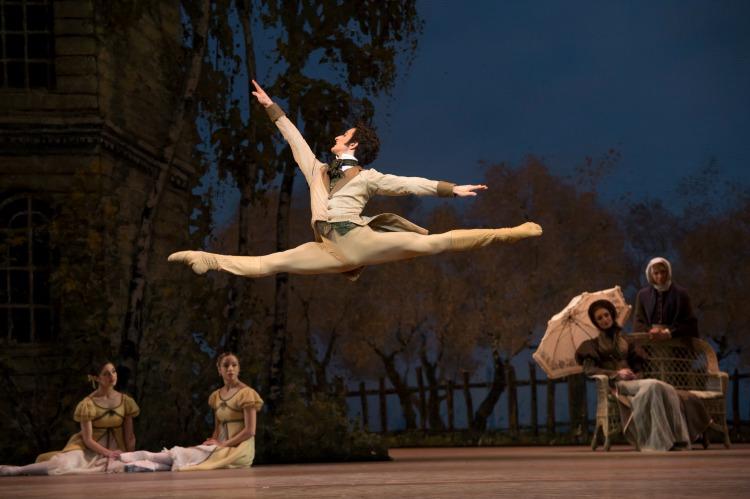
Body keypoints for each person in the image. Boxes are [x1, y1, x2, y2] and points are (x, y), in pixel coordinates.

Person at [168, 80, 542, 281]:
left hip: (357, 239)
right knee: (271, 264)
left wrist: (451, 189)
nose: (335, 138)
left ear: (354, 144)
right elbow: (294, 140)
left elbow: (408, 184)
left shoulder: (369, 177)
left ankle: (513, 231)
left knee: (435, 245)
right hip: (328, 248)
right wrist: (272, 108)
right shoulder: (316, 169)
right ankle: (208, 260)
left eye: (342, 135)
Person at [576, 299, 709, 451]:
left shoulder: (624, 340)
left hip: (633, 381)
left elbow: (638, 363)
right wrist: (616, 373)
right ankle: (657, 442)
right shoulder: (592, 345)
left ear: (612, 315)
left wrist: (637, 374)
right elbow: (589, 370)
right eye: (599, 318)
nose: (604, 320)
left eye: (606, 315)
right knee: (653, 385)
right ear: (595, 322)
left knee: (665, 388)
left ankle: (678, 439)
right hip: (616, 386)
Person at [119, 352, 262, 471]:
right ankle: (152, 465)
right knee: (196, 452)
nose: (230, 368)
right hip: (222, 445)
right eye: (226, 365)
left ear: (238, 369)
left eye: (234, 365)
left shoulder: (247, 394)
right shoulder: (216, 396)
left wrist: (222, 445)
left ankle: (149, 456)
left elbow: (250, 431)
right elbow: (217, 429)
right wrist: (212, 443)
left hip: (240, 449)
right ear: (219, 369)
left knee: (194, 455)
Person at [0, 360, 139, 475]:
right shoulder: (88, 404)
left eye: (113, 371)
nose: (112, 376)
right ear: (97, 378)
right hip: (89, 449)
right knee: (61, 464)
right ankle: (17, 470)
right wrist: (107, 453)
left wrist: (130, 456)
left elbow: (129, 436)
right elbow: (88, 439)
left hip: (117, 449)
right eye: (106, 374)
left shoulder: (126, 401)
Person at [633, 257, 698, 339]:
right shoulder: (642, 295)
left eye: (663, 272)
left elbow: (690, 324)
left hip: (676, 343)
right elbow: (638, 321)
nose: (660, 276)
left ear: (668, 272)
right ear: (650, 275)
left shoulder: (681, 294)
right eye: (656, 273)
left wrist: (669, 332)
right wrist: (650, 331)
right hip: (649, 343)